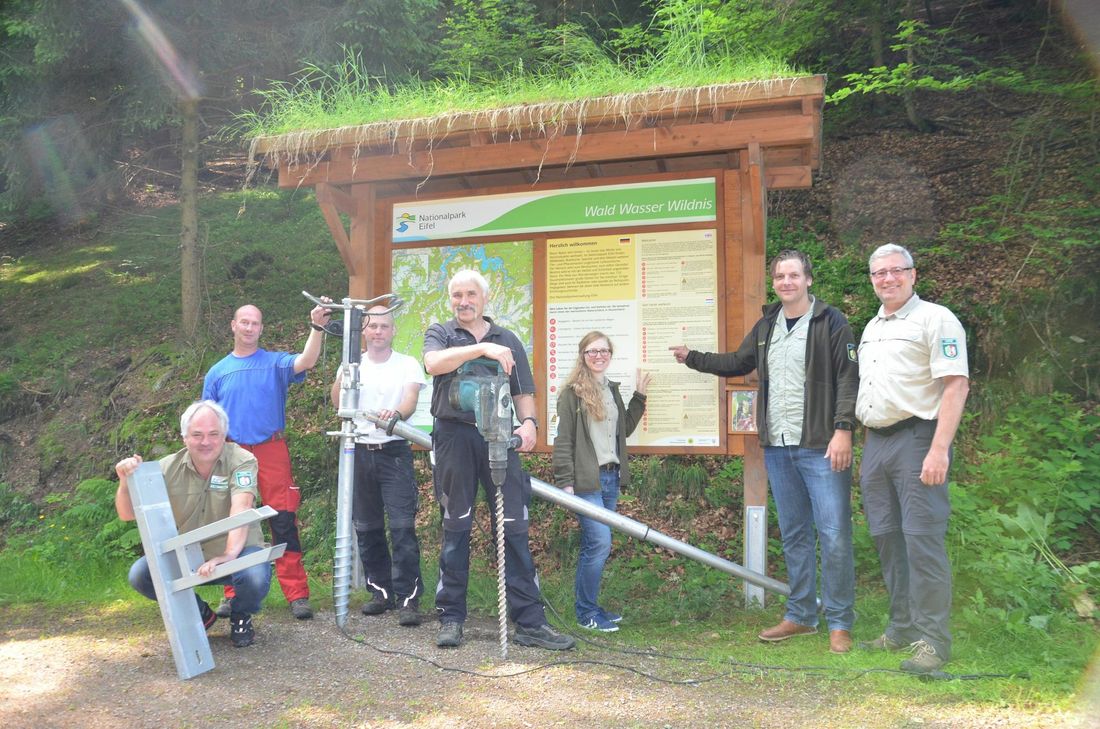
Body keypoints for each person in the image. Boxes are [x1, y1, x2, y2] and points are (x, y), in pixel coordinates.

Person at [670, 249, 859, 654]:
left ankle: (840, 622)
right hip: (778, 447)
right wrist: (693, 358)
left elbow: (848, 377)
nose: (786, 282)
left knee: (834, 536)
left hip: (822, 446)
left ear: (808, 280)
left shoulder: (832, 321)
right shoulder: (767, 324)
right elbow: (738, 362)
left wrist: (843, 429)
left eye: (794, 275)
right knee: (794, 534)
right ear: (774, 283)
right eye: (779, 276)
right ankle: (801, 615)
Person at [423, 269, 575, 651]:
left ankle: (530, 623)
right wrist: (480, 350)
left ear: (484, 298)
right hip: (453, 438)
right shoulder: (442, 333)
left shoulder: (508, 339)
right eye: (457, 295)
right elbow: (433, 364)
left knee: (514, 527)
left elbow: (523, 391)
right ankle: (451, 618)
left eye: (470, 294)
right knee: (456, 526)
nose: (464, 302)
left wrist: (530, 424)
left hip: (499, 436)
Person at [856, 243, 969, 674]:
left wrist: (939, 449)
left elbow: (956, 385)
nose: (888, 278)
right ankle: (901, 627)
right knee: (887, 538)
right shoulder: (872, 327)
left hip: (919, 439)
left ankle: (933, 642)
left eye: (896, 270)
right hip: (877, 443)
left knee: (922, 540)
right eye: (879, 273)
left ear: (913, 274)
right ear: (872, 280)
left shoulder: (936, 319)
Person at [202, 299, 332, 620]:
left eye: (255, 323)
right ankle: (232, 592)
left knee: (283, 520)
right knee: (234, 520)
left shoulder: (274, 363)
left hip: (272, 450)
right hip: (232, 453)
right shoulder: (217, 372)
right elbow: (207, 421)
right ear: (234, 325)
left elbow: (307, 360)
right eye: (244, 322)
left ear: (261, 328)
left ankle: (297, 594)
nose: (249, 328)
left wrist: (317, 327)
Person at [114, 400, 271, 648]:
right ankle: (200, 613)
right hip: (188, 554)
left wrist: (228, 555)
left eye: (213, 434)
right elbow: (126, 514)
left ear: (224, 435)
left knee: (255, 575)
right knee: (141, 575)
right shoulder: (165, 468)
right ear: (184, 437)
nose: (205, 442)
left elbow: (241, 507)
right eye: (197, 435)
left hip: (238, 549)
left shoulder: (242, 459)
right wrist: (125, 481)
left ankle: (241, 614)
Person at [330, 305, 425, 627]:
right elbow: (337, 402)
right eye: (372, 326)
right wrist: (345, 373)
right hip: (357, 450)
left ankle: (408, 598)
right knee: (367, 527)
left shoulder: (407, 364)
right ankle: (380, 592)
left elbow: (409, 400)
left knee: (402, 527)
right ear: (364, 331)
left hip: (393, 450)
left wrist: (395, 415)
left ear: (393, 330)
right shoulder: (352, 364)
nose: (378, 331)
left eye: (384, 326)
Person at [552, 331, 649, 633]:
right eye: (592, 351)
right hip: (585, 481)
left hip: (610, 479)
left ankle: (590, 606)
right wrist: (565, 481)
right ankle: (586, 614)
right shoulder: (572, 394)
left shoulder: (611, 389)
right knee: (599, 543)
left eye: (604, 351)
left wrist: (639, 396)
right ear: (583, 355)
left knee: (595, 545)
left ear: (610, 354)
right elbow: (563, 440)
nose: (598, 356)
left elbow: (624, 429)